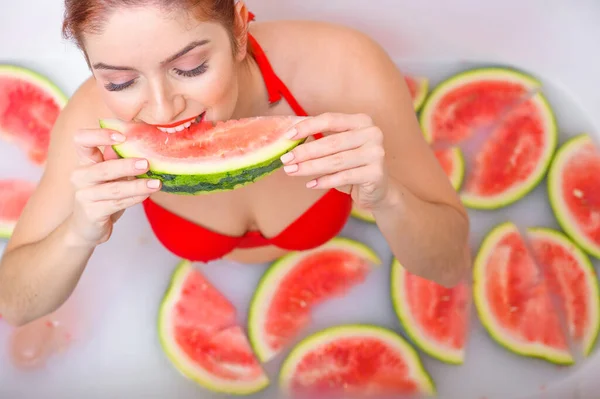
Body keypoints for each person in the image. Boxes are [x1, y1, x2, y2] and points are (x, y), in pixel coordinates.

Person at [0, 0, 471, 327]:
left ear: (241, 30)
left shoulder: (344, 69)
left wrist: (387, 197)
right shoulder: (92, 124)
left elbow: (450, 266)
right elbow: (14, 305)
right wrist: (79, 231)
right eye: (121, 82)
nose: (163, 111)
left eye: (190, 68)